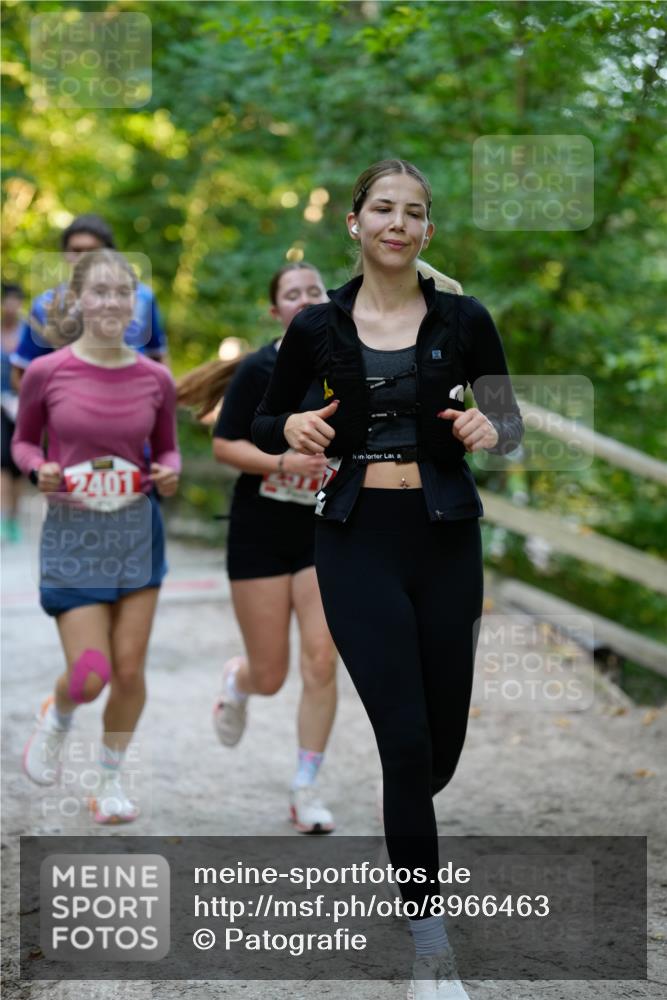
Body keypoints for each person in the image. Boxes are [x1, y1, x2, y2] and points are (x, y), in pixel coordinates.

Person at [252, 160, 524, 999]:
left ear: (427, 231)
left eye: (413, 212)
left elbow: (507, 421)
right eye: (382, 208)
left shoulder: (464, 319)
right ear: (356, 223)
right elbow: (269, 417)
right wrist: (290, 424)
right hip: (355, 538)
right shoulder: (317, 327)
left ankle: (410, 809)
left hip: (444, 538)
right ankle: (430, 950)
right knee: (404, 744)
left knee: (435, 754)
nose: (397, 223)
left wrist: (491, 425)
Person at [12, 248, 180, 824]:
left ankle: (109, 781)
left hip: (137, 530)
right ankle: (57, 714)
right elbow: (23, 442)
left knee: (130, 671)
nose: (111, 301)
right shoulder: (47, 372)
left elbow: (168, 448)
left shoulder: (156, 377)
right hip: (72, 533)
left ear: (135, 305)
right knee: (90, 675)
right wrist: (40, 469)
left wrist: (169, 471)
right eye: (99, 291)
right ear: (77, 300)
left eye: (121, 292)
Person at [178, 263, 339, 834]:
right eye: (291, 295)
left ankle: (306, 788)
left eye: (313, 291)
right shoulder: (259, 368)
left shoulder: (352, 363)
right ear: (276, 312)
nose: (304, 300)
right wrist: (283, 462)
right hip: (261, 531)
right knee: (271, 675)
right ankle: (238, 683)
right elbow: (225, 446)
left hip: (324, 533)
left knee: (322, 660)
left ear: (329, 299)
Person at [10, 214, 167, 387]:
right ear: (65, 254)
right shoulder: (45, 305)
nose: (83, 258)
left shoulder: (142, 299)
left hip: (134, 396)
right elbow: (22, 372)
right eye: (76, 250)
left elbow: (158, 355)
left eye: (92, 251)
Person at [1, 282, 25, 542]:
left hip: (22, 406)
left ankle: (14, 517)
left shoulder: (28, 333)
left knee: (18, 465)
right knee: (2, 461)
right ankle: (3, 515)